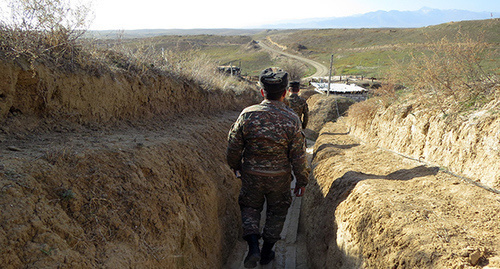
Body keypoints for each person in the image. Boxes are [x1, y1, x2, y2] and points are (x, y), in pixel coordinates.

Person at [226, 68, 310, 268]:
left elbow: (233, 147)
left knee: (250, 207)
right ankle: (266, 253)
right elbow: (298, 155)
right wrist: (302, 180)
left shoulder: (247, 115)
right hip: (279, 177)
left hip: (251, 175)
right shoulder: (292, 119)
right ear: (284, 93)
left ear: (262, 92)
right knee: (277, 211)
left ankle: (253, 246)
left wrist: (235, 167)